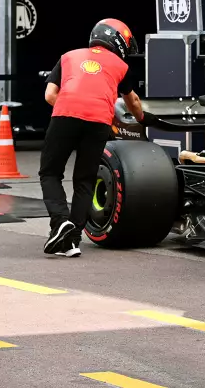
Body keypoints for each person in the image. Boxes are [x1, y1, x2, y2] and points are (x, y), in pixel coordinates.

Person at [40, 19, 145, 258]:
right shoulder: (120, 66)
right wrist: (142, 119)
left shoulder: (68, 56)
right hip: (99, 121)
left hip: (65, 115)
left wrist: (72, 108)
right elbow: (134, 102)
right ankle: (72, 240)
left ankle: (60, 223)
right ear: (118, 42)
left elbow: (49, 95)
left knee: (50, 172)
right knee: (85, 180)